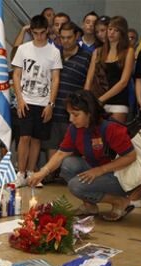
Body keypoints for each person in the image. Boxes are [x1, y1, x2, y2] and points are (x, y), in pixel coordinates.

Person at [28, 90, 137, 221]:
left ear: (90, 113)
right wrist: (43, 172)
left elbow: (131, 157)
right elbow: (61, 153)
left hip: (119, 176)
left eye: (75, 115)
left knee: (76, 186)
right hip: (97, 171)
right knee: (68, 164)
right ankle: (90, 205)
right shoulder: (74, 129)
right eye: (69, 114)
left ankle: (119, 201)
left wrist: (100, 170)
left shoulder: (111, 128)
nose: (71, 119)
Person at [11, 15, 62, 186]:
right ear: (31, 32)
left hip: (43, 102)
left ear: (47, 30)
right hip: (25, 100)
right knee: (24, 137)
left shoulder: (54, 51)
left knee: (36, 140)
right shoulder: (23, 49)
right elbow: (16, 75)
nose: (39, 36)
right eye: (35, 33)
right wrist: (19, 99)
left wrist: (51, 104)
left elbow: (55, 79)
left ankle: (32, 173)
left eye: (42, 33)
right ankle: (20, 172)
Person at [42, 21, 91, 186]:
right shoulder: (54, 53)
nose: (66, 41)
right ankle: (51, 174)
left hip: (74, 109)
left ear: (77, 36)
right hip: (54, 106)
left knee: (71, 145)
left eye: (69, 38)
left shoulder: (86, 56)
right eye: (62, 38)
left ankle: (65, 175)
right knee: (52, 142)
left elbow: (88, 83)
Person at [84, 16, 135, 123]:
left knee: (114, 137)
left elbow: (123, 82)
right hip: (97, 101)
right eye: (110, 29)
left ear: (122, 33)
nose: (111, 33)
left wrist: (101, 99)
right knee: (96, 138)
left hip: (118, 102)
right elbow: (89, 79)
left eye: (116, 30)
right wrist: (85, 100)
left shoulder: (128, 51)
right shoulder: (97, 51)